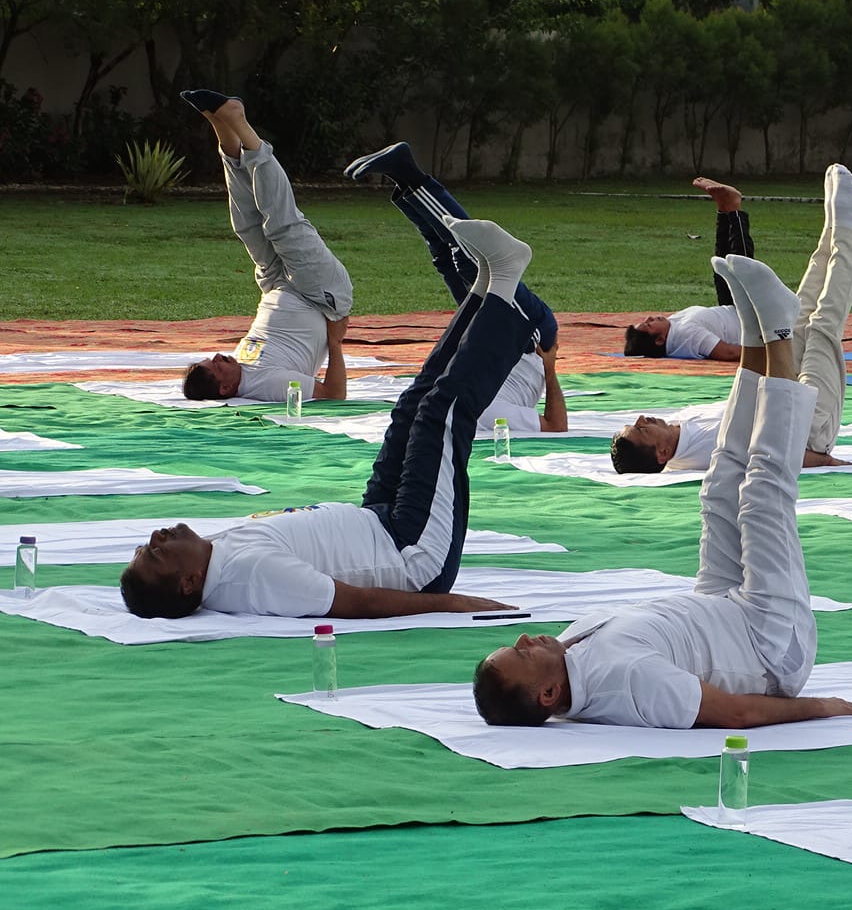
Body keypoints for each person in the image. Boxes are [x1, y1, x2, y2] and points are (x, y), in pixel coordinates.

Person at [474, 253, 852, 728]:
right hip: (771, 647)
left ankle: (755, 335)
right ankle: (781, 336)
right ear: (548, 694)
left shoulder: (570, 652)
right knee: (763, 495)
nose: (523, 640)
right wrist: (822, 707)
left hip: (719, 608)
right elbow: (736, 712)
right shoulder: (626, 683)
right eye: (520, 655)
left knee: (720, 486)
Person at [119, 218, 546, 620]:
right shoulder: (250, 579)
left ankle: (486, 289)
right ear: (190, 582)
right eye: (155, 553)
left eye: (147, 543)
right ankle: (507, 287)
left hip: (379, 519)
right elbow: (355, 602)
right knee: (441, 414)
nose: (156, 537)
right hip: (413, 554)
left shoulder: (215, 558)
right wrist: (454, 605)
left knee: (411, 407)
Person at [611, 163, 852, 473]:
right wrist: (824, 461)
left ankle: (833, 230)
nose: (641, 419)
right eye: (641, 430)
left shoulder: (681, 430)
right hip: (807, 426)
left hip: (781, 392)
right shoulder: (705, 452)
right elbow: (767, 452)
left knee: (799, 317)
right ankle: (846, 230)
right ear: (662, 453)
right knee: (824, 323)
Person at [344, 141, 567, 433]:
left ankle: (405, 182)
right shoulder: (479, 412)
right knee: (467, 260)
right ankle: (410, 175)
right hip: (528, 338)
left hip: (495, 341)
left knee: (447, 259)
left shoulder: (448, 400)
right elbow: (556, 426)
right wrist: (550, 369)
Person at [178, 92, 352, 402]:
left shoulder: (240, 368)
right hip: (319, 296)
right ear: (226, 389)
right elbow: (333, 395)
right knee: (281, 225)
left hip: (274, 283)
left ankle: (223, 130)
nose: (218, 356)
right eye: (216, 367)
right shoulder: (269, 385)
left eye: (212, 359)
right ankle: (241, 125)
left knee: (246, 226)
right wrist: (336, 342)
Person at [622, 177, 755, 360]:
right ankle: (733, 209)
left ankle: (724, 210)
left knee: (721, 265)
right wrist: (776, 351)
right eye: (649, 325)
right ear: (660, 340)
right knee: (741, 265)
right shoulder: (686, 336)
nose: (650, 318)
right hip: (751, 319)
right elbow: (729, 352)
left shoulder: (673, 326)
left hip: (731, 308)